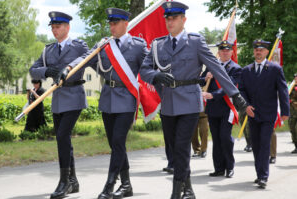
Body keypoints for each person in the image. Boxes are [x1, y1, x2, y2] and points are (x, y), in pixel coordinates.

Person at [139, 2, 247, 198]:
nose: (169, 22)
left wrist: (235, 95)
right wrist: (155, 76)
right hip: (168, 103)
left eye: (174, 18)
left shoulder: (195, 42)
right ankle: (188, 189)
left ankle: (176, 191)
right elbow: (144, 70)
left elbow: (216, 69)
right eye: (167, 18)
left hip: (189, 101)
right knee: (174, 147)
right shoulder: (157, 44)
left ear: (183, 20)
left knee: (181, 146)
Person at [69, 8, 148, 199]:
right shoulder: (104, 44)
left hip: (127, 98)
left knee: (119, 140)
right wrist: (70, 66)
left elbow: (149, 66)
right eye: (110, 23)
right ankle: (127, 185)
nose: (111, 27)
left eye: (115, 23)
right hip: (107, 98)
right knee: (115, 144)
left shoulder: (138, 45)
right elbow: (87, 58)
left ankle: (109, 185)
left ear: (125, 24)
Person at [29, 11, 89, 199]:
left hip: (74, 97)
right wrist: (46, 71)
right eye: (53, 27)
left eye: (58, 27)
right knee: (64, 140)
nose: (55, 30)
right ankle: (73, 180)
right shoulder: (48, 50)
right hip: (57, 99)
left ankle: (63, 183)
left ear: (67, 27)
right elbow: (33, 70)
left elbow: (89, 56)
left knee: (62, 136)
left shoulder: (79, 46)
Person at [239, 39, 290, 189]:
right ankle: (259, 173)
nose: (258, 52)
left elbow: (282, 91)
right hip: (252, 114)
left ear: (267, 52)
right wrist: (246, 106)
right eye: (256, 50)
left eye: (261, 50)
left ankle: (263, 176)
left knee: (264, 143)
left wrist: (285, 111)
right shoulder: (246, 70)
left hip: (268, 113)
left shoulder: (275, 69)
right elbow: (241, 90)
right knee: (255, 144)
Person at [201, 40, 242, 178]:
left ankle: (229, 167)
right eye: (222, 50)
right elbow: (201, 80)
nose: (224, 52)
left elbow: (229, 87)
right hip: (213, 108)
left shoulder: (236, 68)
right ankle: (218, 168)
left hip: (227, 107)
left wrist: (213, 95)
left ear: (231, 52)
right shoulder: (212, 66)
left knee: (225, 137)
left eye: (227, 50)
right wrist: (205, 77)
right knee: (216, 139)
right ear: (218, 52)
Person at [289, 73, 297, 153]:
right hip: (292, 113)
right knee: (292, 129)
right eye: (295, 77)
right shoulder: (291, 87)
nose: (296, 79)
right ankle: (296, 146)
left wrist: (292, 101)